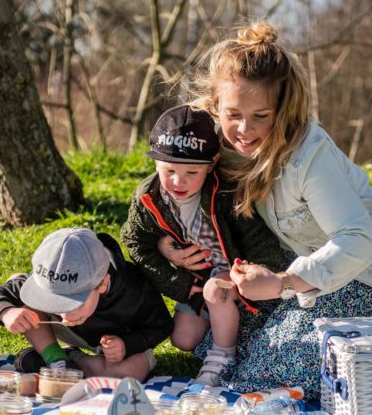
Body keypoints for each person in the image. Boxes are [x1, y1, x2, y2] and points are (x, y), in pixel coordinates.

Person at [158, 23, 372, 398]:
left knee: (264, 376)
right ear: (217, 105)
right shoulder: (213, 132)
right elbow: (164, 178)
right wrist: (167, 247)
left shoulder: (308, 155)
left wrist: (281, 284)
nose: (244, 130)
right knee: (217, 343)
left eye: (261, 116)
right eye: (233, 114)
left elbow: (357, 241)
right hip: (303, 260)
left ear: (283, 109)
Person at [121, 104, 283, 387]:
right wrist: (179, 284)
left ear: (211, 165)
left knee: (214, 291)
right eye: (168, 170)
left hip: (232, 271)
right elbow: (135, 241)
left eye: (191, 173)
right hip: (197, 276)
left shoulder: (225, 193)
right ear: (155, 163)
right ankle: (224, 325)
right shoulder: (149, 198)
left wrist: (266, 273)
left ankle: (223, 357)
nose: (177, 181)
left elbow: (256, 237)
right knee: (183, 339)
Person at [0, 227, 173, 382]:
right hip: (69, 334)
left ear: (103, 283)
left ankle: (68, 360)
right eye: (56, 302)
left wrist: (126, 344)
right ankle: (57, 360)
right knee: (22, 294)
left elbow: (163, 326)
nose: (65, 316)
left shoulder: (135, 288)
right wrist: (7, 312)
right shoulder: (60, 299)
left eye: (73, 303)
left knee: (129, 374)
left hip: (117, 345)